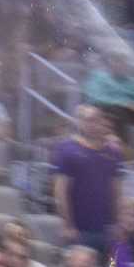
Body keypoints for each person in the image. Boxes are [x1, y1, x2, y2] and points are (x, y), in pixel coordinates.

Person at [49, 104, 124, 251]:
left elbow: (117, 191)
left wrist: (118, 223)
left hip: (107, 231)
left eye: (96, 120)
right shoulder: (66, 149)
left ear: (103, 121)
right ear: (79, 122)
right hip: (78, 232)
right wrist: (67, 225)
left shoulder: (113, 153)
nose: (92, 124)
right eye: (88, 120)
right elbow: (60, 191)